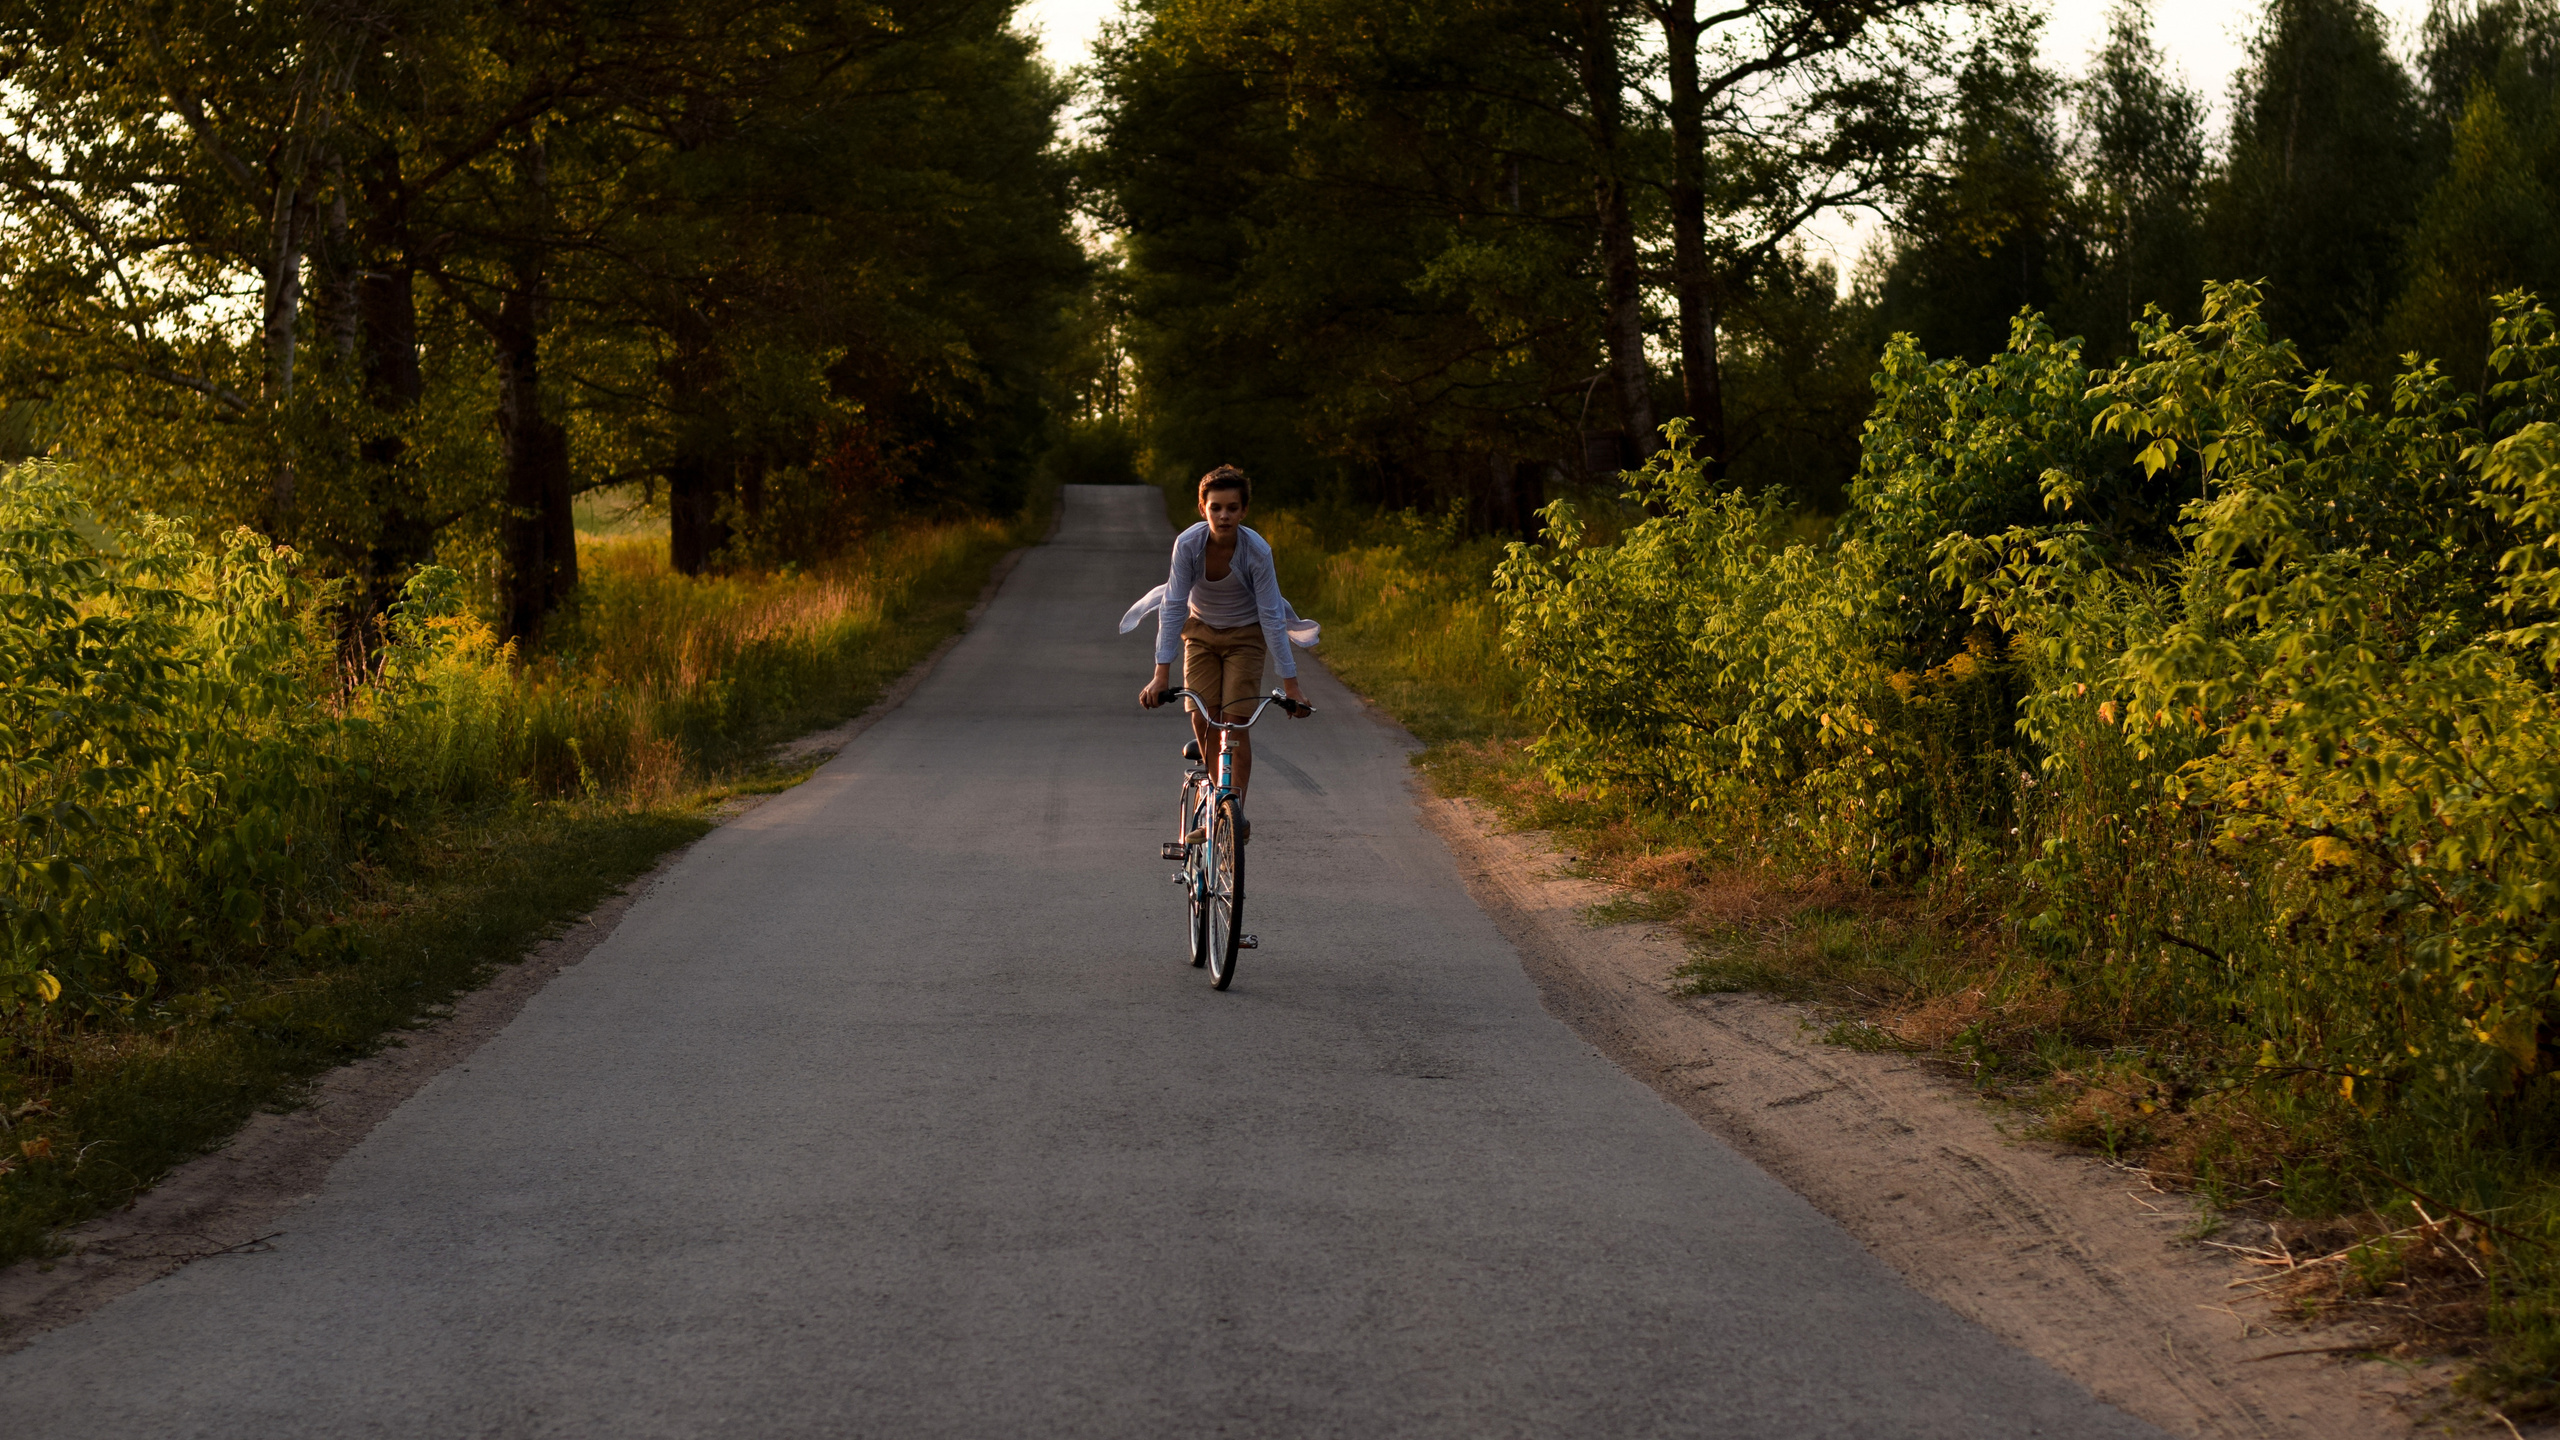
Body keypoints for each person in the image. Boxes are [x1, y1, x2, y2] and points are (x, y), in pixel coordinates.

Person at [1136, 464, 1310, 807]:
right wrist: (1160, 675)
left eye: (1232, 508)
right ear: (1203, 509)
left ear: (1244, 511)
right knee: (1203, 715)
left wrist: (1291, 686)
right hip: (1200, 633)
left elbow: (1272, 617)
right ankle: (1217, 801)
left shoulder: (1256, 551)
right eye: (1215, 507)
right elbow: (1172, 607)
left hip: (1245, 637)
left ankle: (1234, 810)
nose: (1224, 516)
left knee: (1233, 725)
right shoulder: (1188, 545)